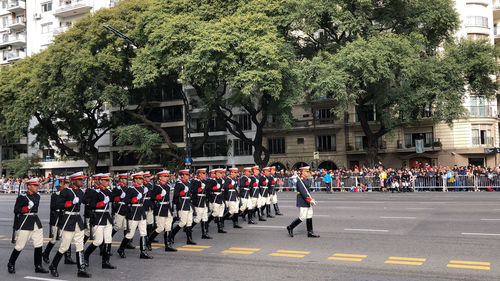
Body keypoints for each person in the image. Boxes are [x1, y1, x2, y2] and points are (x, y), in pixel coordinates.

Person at [49, 171, 91, 278]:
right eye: (79, 180)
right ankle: (53, 266)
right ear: (73, 181)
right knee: (64, 246)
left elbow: (87, 201)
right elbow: (58, 204)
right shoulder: (66, 191)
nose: (82, 181)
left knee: (80, 244)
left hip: (77, 219)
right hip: (68, 219)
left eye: (82, 179)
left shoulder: (81, 192)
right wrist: (70, 203)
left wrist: (91, 192)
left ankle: (81, 269)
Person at [7, 178, 48, 274]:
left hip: (35, 222)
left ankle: (38, 266)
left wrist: (30, 206)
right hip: (25, 222)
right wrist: (27, 207)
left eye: (37, 185)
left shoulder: (37, 196)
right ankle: (11, 263)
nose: (37, 187)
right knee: (20, 245)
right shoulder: (22, 197)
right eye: (35, 185)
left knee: (39, 244)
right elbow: (16, 210)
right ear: (29, 186)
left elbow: (35, 207)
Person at [117, 172, 153, 259]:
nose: (141, 180)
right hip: (133, 212)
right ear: (135, 180)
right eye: (140, 179)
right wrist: (135, 199)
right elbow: (126, 201)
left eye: (142, 179)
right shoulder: (131, 189)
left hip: (141, 212)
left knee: (143, 232)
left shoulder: (142, 188)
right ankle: (121, 249)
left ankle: (143, 252)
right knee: (130, 234)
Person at [83, 173, 115, 269]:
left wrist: (112, 188)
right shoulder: (95, 192)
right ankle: (85, 255)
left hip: (107, 217)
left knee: (108, 240)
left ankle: (105, 262)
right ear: (100, 181)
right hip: (98, 216)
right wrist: (102, 203)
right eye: (105, 180)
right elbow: (91, 204)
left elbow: (113, 198)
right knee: (98, 241)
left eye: (108, 180)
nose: (107, 182)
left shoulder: (108, 191)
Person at [43, 176, 76, 265]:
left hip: (66, 218)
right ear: (61, 184)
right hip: (57, 218)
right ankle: (45, 253)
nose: (67, 185)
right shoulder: (56, 195)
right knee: (54, 239)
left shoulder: (69, 193)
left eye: (68, 183)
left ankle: (67, 257)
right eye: (65, 183)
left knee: (67, 237)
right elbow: (54, 207)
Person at [148, 170, 177, 252]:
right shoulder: (157, 187)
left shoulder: (167, 186)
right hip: (160, 208)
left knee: (168, 226)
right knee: (160, 228)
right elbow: (152, 197)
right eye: (165, 176)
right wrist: (160, 195)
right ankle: (148, 241)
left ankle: (168, 245)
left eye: (167, 176)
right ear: (160, 178)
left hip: (167, 208)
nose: (167, 178)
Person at [286, 166, 319, 238]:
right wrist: (309, 200)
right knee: (302, 217)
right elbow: (303, 192)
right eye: (306, 172)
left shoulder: (306, 179)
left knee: (309, 215)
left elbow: (307, 190)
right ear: (302, 172)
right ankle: (290, 227)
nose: (308, 173)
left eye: (308, 171)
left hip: (307, 199)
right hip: (302, 200)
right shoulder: (300, 181)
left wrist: (310, 199)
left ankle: (310, 232)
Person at [171, 169, 196, 245]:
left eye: (188, 175)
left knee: (189, 222)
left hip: (188, 203)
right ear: (182, 176)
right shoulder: (179, 184)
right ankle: (171, 235)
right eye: (186, 175)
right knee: (182, 222)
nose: (188, 176)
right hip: (182, 204)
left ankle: (189, 239)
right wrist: (182, 193)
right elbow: (175, 195)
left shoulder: (188, 183)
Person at [111, 173, 134, 250]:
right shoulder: (117, 188)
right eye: (124, 179)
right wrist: (120, 197)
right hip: (120, 208)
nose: (126, 180)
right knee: (117, 226)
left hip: (126, 208)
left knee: (126, 227)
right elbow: (113, 198)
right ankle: (108, 239)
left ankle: (127, 243)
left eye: (126, 179)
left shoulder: (127, 188)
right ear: (121, 179)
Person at [191, 168, 212, 239]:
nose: (205, 174)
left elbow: (208, 190)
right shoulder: (195, 181)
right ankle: (188, 228)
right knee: (198, 218)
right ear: (199, 174)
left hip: (204, 201)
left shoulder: (204, 181)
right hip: (198, 200)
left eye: (205, 173)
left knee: (205, 217)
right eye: (203, 173)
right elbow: (193, 191)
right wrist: (200, 189)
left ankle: (205, 233)